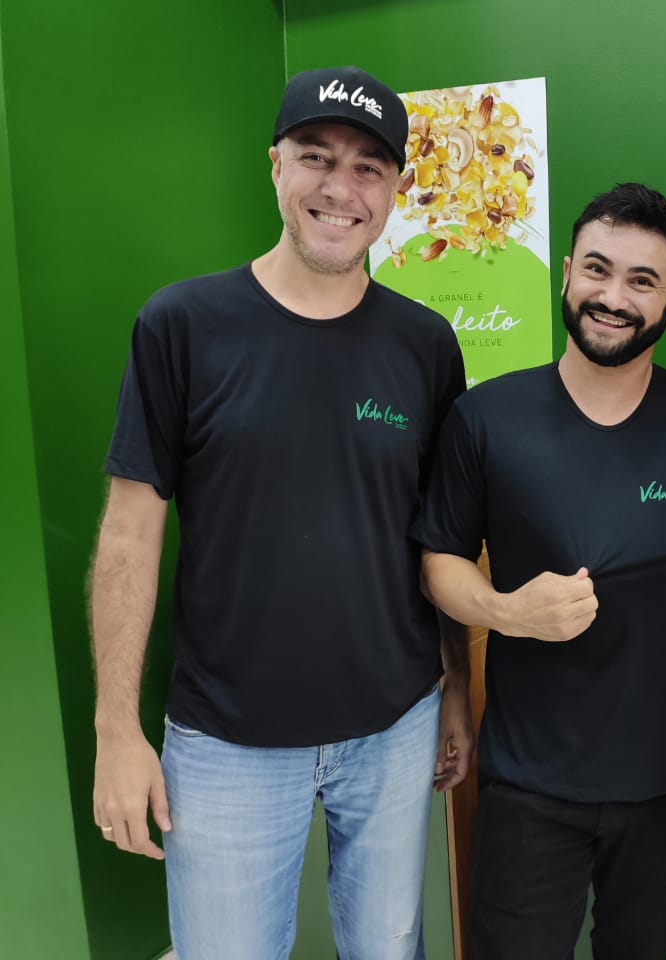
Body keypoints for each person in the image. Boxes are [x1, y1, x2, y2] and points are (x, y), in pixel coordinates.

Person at [89, 65, 471, 960]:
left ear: (397, 190)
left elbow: (442, 535)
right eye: (316, 157)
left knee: (389, 949)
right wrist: (116, 729)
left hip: (395, 725)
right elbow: (128, 533)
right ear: (275, 166)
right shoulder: (183, 324)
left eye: (369, 167)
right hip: (225, 740)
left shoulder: (425, 344)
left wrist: (456, 687)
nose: (340, 188)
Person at [419, 182, 666, 960]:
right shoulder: (486, 419)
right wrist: (507, 612)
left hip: (664, 781)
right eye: (597, 269)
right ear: (567, 274)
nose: (613, 297)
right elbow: (439, 563)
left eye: (641, 280)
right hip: (528, 781)